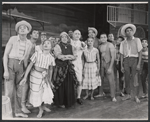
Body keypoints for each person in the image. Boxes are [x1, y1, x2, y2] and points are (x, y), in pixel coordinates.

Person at [3, 20, 32, 117]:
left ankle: (18, 111)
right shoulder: (13, 39)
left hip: (21, 66)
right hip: (11, 64)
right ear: (18, 30)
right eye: (20, 28)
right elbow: (5, 55)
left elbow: (26, 58)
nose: (22, 29)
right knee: (10, 91)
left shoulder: (29, 43)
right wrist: (6, 70)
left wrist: (24, 72)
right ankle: (9, 113)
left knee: (20, 91)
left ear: (28, 31)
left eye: (25, 28)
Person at [19, 39, 55, 118]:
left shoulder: (51, 57)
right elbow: (30, 65)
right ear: (42, 45)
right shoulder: (37, 54)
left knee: (44, 92)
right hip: (34, 76)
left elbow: (51, 69)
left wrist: (50, 81)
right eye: (44, 43)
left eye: (48, 43)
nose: (46, 44)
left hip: (44, 76)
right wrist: (25, 77)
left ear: (51, 47)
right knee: (37, 93)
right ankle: (40, 109)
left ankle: (43, 107)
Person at [53, 32, 78, 108]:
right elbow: (58, 56)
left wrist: (66, 57)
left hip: (68, 68)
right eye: (62, 37)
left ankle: (68, 101)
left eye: (66, 37)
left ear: (68, 38)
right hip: (60, 67)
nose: (64, 38)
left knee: (69, 84)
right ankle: (60, 102)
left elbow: (75, 57)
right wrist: (69, 56)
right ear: (60, 38)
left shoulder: (71, 46)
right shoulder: (57, 46)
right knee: (61, 84)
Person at [120, 24, 142, 103]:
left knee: (134, 78)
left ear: (133, 32)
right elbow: (122, 54)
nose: (129, 32)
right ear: (125, 33)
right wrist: (122, 65)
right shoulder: (123, 42)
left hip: (134, 60)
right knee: (126, 78)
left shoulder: (137, 40)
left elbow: (140, 52)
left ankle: (136, 96)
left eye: (130, 30)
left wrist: (138, 64)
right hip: (126, 60)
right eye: (127, 31)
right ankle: (128, 94)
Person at [98, 33, 117, 102]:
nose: (103, 38)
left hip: (108, 64)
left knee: (111, 80)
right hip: (102, 64)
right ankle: (101, 93)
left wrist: (110, 67)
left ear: (106, 38)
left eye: (104, 37)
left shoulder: (110, 45)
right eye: (101, 37)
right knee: (101, 79)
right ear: (100, 39)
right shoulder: (99, 46)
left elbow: (113, 57)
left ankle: (113, 96)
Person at [71, 30, 86, 105]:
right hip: (71, 63)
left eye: (79, 34)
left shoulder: (82, 43)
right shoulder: (69, 42)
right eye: (75, 34)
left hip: (79, 64)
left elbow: (84, 52)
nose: (77, 35)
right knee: (71, 81)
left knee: (79, 81)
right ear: (73, 35)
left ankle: (78, 97)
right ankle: (71, 97)